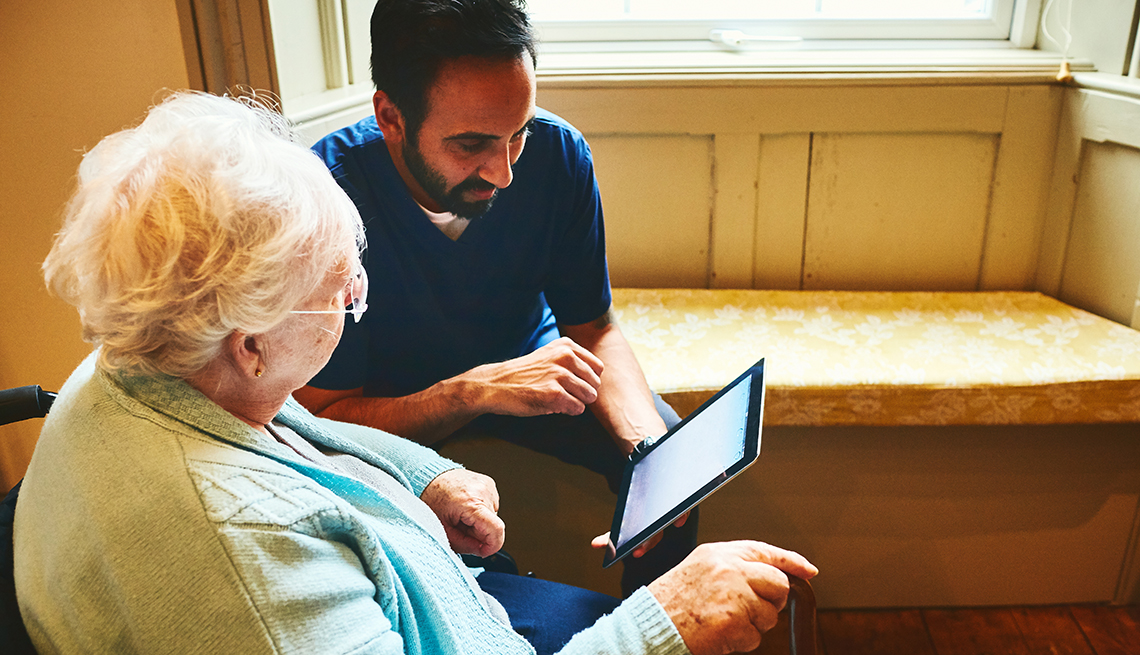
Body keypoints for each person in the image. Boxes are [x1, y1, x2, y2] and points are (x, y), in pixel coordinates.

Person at [16, 91, 816, 654]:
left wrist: (428, 477)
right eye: (341, 283)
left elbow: (288, 424)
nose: (358, 290)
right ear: (251, 341)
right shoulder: (247, 560)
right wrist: (662, 625)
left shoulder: (145, 361)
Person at [293, 0, 694, 596]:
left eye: (518, 135)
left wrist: (645, 448)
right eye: (472, 145)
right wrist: (475, 390)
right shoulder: (322, 200)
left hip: (527, 362)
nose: (504, 173)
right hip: (382, 406)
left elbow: (594, 328)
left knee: (674, 473)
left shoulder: (559, 156)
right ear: (391, 117)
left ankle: (656, 624)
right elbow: (320, 417)